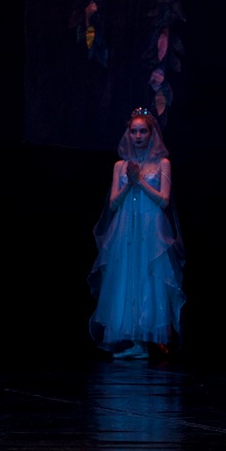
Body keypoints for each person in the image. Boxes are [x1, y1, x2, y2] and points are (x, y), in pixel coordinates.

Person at [89, 108, 186, 360]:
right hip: (126, 228)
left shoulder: (162, 164)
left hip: (151, 228)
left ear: (151, 134)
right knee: (126, 276)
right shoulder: (120, 166)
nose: (138, 136)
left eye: (143, 131)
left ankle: (146, 338)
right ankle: (132, 338)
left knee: (148, 276)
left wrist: (139, 181)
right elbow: (113, 204)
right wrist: (129, 182)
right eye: (134, 131)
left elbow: (164, 201)